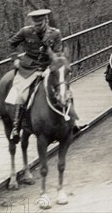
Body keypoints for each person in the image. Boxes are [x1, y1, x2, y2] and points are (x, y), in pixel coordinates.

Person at [7, 9, 85, 143]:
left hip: (49, 67)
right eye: (35, 24)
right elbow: (11, 43)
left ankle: (72, 122)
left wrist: (50, 68)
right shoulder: (25, 32)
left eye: (40, 24)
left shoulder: (55, 33)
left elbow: (58, 54)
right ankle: (16, 127)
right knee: (21, 95)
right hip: (29, 68)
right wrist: (15, 59)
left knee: (64, 90)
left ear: (45, 21)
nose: (37, 27)